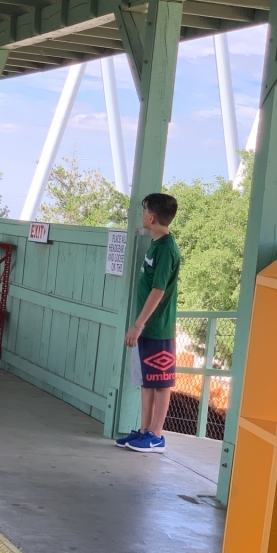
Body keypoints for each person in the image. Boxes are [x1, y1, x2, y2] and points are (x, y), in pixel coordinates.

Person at [116, 193, 181, 453]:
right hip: (147, 328)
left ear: (151, 218)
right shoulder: (155, 244)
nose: (142, 214)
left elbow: (158, 290)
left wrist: (138, 324)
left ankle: (156, 435)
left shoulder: (166, 248)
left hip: (158, 327)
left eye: (144, 210)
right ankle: (143, 430)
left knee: (161, 382)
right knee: (147, 381)